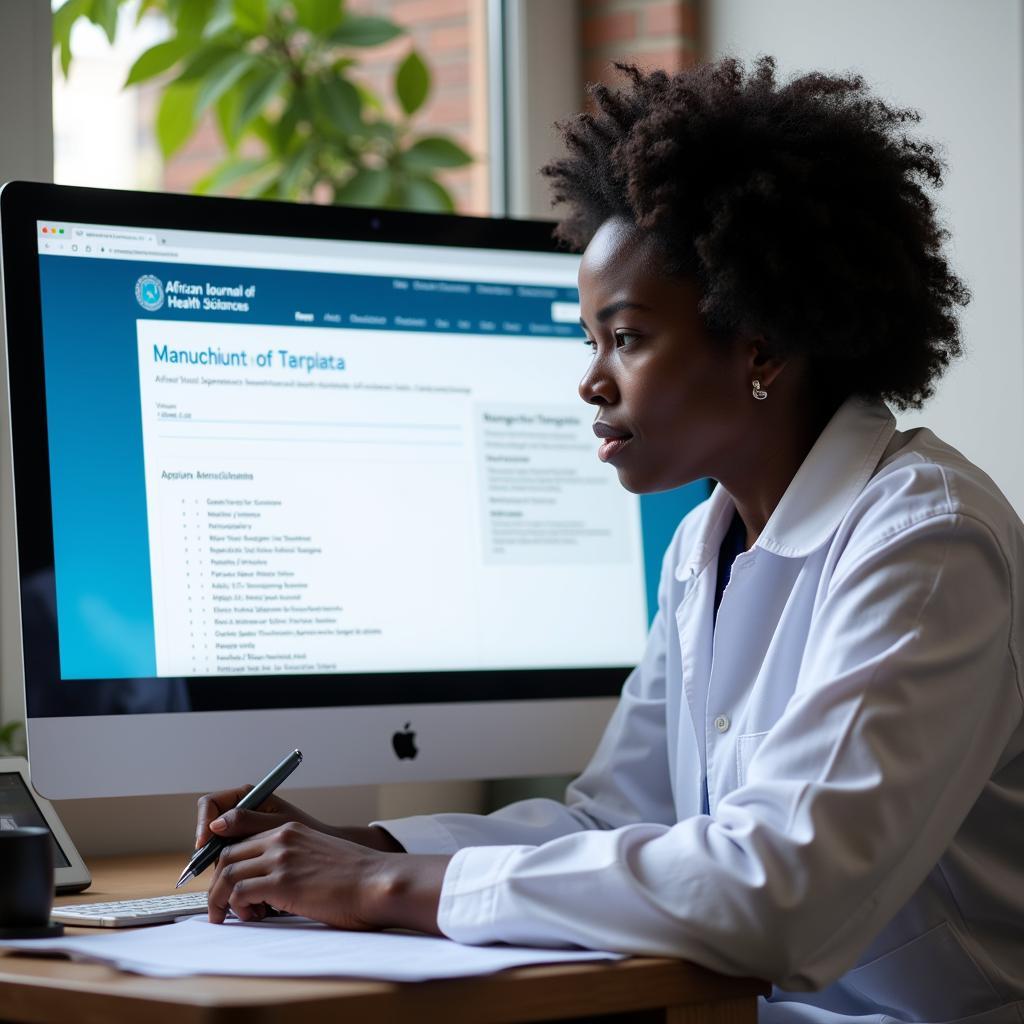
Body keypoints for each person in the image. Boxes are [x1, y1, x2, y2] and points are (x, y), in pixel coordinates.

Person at [192, 58, 1024, 1023]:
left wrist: (382, 890)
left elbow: (776, 895)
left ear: (759, 345)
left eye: (625, 338)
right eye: (589, 340)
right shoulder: (701, 549)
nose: (591, 382)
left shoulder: (929, 544)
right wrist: (374, 843)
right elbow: (617, 821)